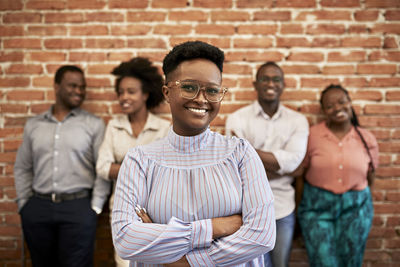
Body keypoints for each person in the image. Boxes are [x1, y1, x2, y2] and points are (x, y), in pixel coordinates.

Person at [112, 41, 276, 266]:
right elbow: (126, 240)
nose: (201, 99)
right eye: (189, 87)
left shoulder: (240, 154)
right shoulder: (140, 160)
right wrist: (216, 227)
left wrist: (181, 260)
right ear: (167, 92)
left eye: (212, 90)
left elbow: (262, 237)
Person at [14, 65, 111, 267]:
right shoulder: (34, 125)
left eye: (82, 87)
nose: (79, 91)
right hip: (38, 207)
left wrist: (95, 207)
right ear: (57, 86)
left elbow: (101, 167)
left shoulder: (93, 124)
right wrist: (25, 205)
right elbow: (23, 167)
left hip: (78, 208)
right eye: (73, 86)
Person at [225, 62, 309, 267]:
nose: (270, 83)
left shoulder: (298, 120)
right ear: (255, 84)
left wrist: (247, 150)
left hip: (283, 208)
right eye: (264, 79)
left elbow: (293, 162)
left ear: (283, 84)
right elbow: (236, 165)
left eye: (276, 79)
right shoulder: (237, 118)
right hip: (247, 210)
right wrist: (282, 167)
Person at [96, 57, 170, 267]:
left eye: (131, 91)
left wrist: (122, 168)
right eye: (120, 92)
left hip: (157, 210)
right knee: (124, 263)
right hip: (123, 207)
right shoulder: (114, 126)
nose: (123, 97)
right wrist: (141, 168)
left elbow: (165, 172)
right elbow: (102, 167)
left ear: (145, 94)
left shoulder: (163, 128)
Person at [297, 84, 379, 267]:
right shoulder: (312, 135)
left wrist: (361, 201)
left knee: (352, 261)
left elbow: (371, 176)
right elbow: (300, 175)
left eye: (342, 102)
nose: (337, 109)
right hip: (317, 209)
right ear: (324, 110)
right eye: (330, 106)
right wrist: (298, 210)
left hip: (356, 209)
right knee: (323, 261)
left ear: (350, 102)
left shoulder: (367, 138)